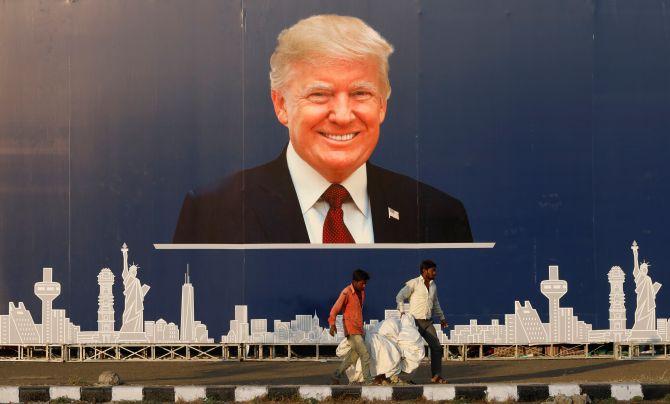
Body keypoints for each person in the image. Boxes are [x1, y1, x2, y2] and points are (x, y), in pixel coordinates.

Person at [173, 14, 472, 244]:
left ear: (382, 105)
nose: (342, 115)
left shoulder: (437, 215)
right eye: (319, 95)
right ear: (281, 105)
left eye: (360, 94)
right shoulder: (213, 213)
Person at [395, 259, 448, 384]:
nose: (435, 273)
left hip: (428, 322)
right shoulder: (414, 283)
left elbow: (435, 303)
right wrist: (402, 311)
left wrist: (442, 318)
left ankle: (436, 376)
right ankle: (405, 378)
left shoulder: (433, 285)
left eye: (435, 270)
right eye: (432, 270)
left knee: (436, 348)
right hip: (415, 323)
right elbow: (399, 297)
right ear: (424, 271)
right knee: (412, 350)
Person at [329, 269, 374, 384]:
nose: (364, 286)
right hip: (351, 329)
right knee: (365, 354)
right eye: (362, 283)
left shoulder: (362, 293)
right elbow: (335, 308)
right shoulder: (346, 292)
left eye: (365, 284)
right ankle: (368, 381)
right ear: (355, 281)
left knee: (353, 356)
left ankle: (336, 375)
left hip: (359, 329)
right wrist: (332, 323)